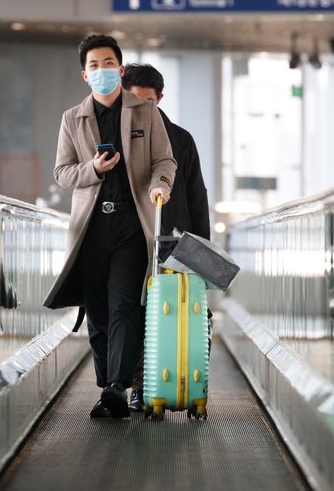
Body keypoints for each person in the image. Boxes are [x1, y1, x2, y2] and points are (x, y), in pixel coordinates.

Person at [42, 36, 176, 419]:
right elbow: (62, 173)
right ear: (86, 74)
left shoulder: (144, 112)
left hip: (132, 226)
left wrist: (158, 186)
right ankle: (108, 387)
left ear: (120, 69)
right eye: (94, 65)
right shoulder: (73, 118)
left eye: (108, 63)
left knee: (123, 307)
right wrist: (93, 170)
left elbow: (164, 160)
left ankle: (118, 385)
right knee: (97, 313)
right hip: (90, 228)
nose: (102, 70)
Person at [121, 63, 211, 412]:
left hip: (172, 242)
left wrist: (200, 249)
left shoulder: (180, 139)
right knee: (134, 313)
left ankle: (180, 382)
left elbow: (196, 195)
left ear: (160, 99)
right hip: (130, 240)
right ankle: (138, 387)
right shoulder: (116, 133)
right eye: (135, 101)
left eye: (149, 102)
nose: (142, 109)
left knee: (168, 313)